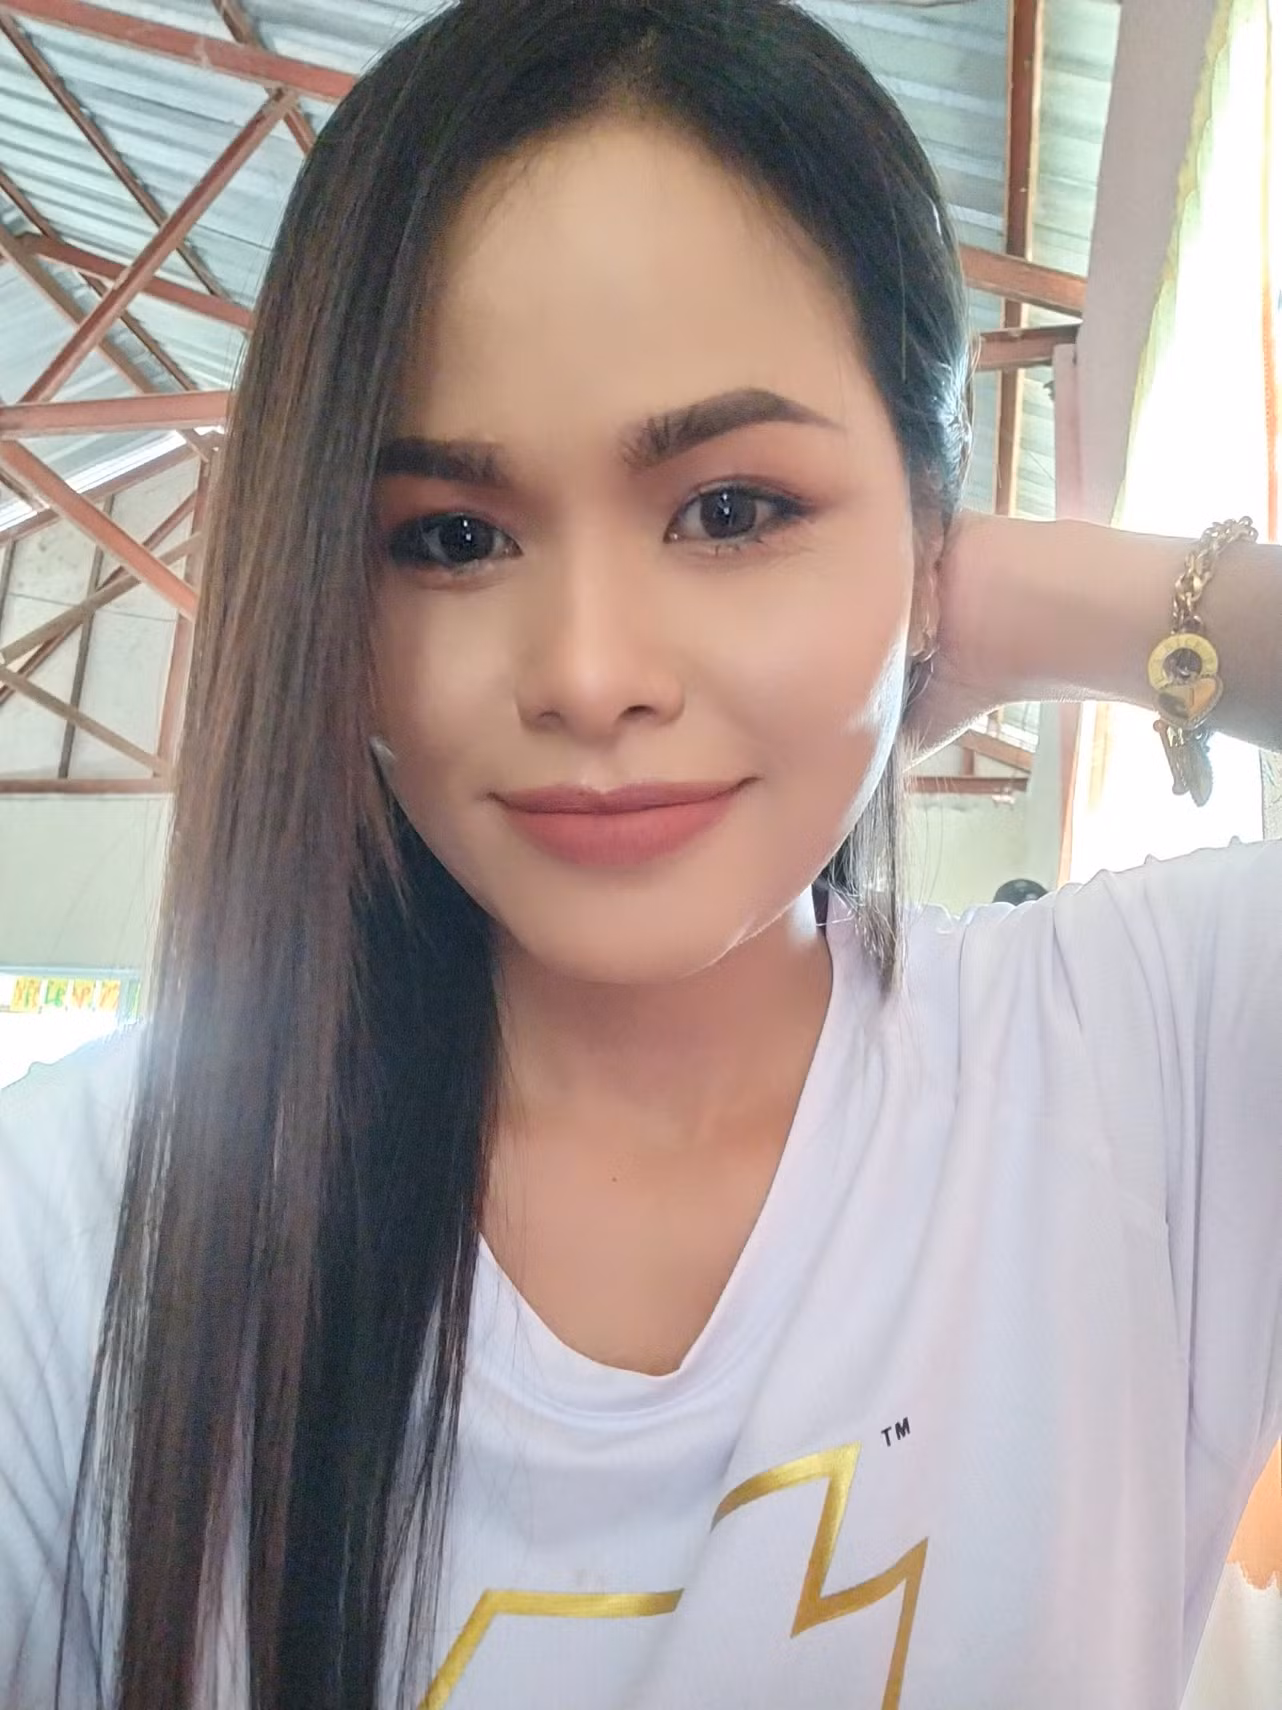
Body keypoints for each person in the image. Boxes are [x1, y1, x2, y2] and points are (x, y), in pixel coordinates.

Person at [1, 2, 1279, 1706]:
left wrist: (1040, 600)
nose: (589, 673)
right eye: (449, 537)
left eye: (731, 509)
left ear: (930, 524)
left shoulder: (1142, 1060)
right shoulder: (78, 1232)